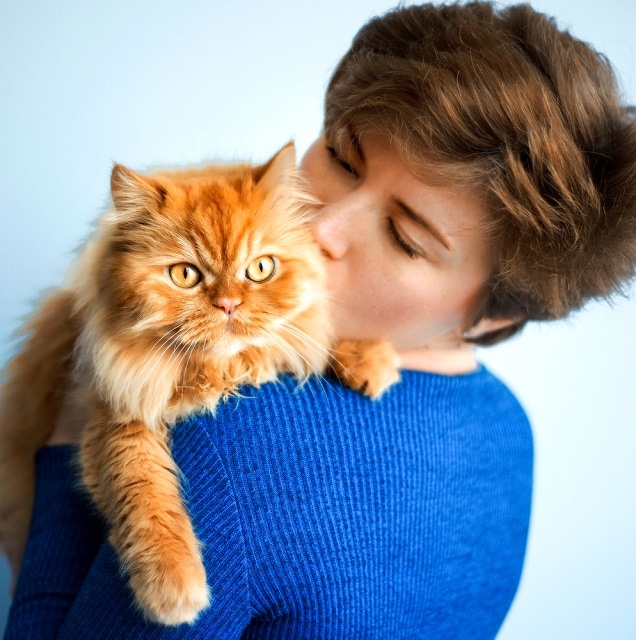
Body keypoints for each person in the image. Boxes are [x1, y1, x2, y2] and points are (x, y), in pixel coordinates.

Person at [4, 2, 635, 638]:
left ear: (493, 316)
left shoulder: (225, 441)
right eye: (340, 157)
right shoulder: (508, 429)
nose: (321, 226)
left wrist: (61, 448)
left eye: (402, 236)